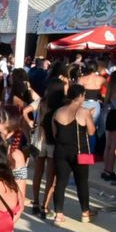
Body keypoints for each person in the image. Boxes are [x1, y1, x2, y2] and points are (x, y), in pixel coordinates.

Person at [44, 84, 97, 223]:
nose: (84, 98)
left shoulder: (58, 112)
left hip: (61, 150)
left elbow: (55, 133)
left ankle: (59, 214)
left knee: (60, 182)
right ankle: (85, 212)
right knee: (82, 182)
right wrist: (90, 116)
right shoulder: (84, 112)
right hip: (80, 152)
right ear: (79, 96)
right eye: (84, 95)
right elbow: (91, 132)